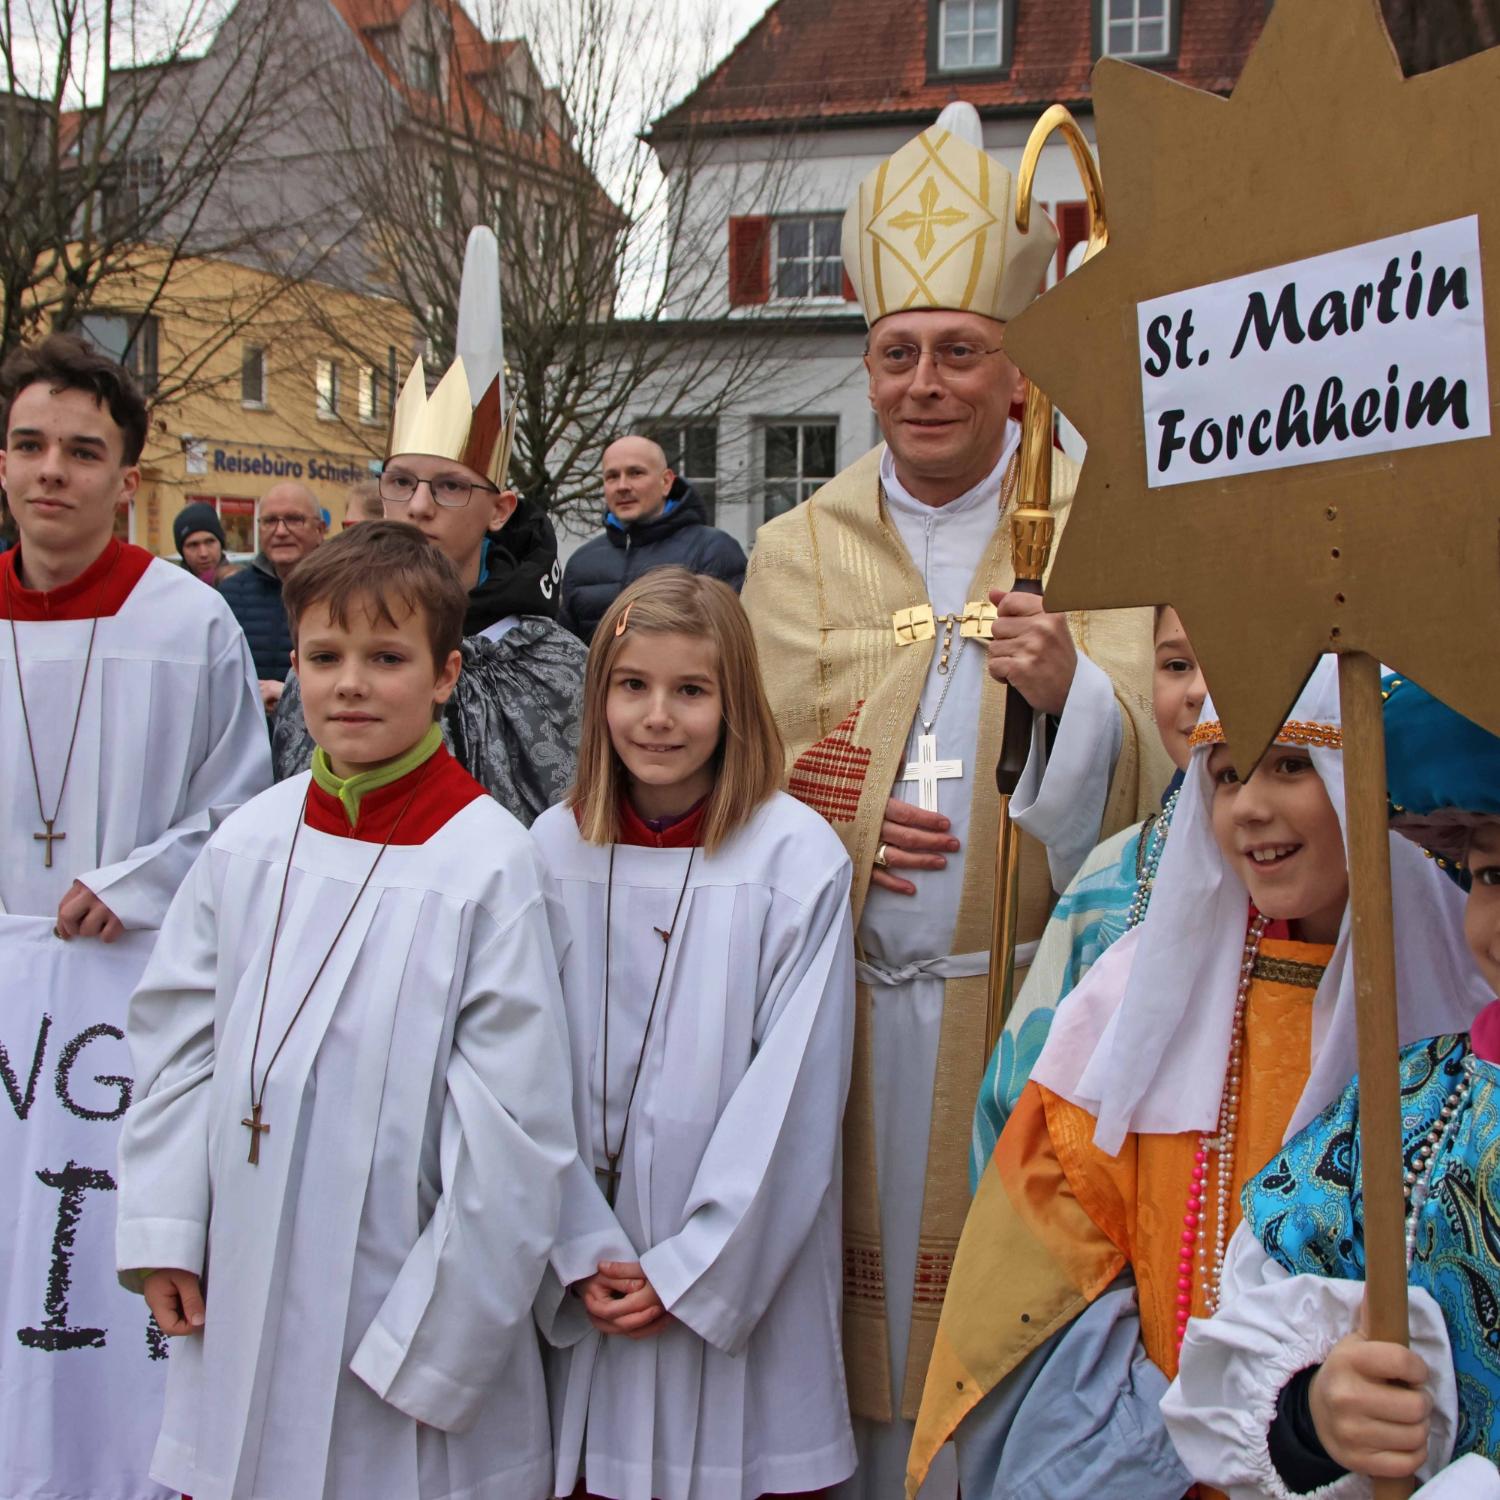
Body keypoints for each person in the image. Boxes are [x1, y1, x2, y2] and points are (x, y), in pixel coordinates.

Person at [738, 101, 1169, 1495]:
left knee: (996, 1351)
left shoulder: (1092, 527)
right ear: (867, 371)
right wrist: (842, 827)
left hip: (1023, 1000)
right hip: (836, 1013)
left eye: (960, 352)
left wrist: (1067, 698)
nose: (927, 380)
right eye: (899, 353)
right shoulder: (796, 551)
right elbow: (734, 766)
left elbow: (1161, 789)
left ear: (1015, 368)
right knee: (832, 1353)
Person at [906, 659, 1488, 1500]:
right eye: (1223, 774)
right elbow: (1044, 1274)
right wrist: (1191, 1437)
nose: (1248, 806)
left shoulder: (1462, 1010)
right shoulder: (1133, 1007)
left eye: (1291, 763)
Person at [115, 520, 578, 1500]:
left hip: (397, 1301)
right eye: (324, 657)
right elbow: (174, 1046)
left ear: (446, 675)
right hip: (239, 1269)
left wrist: (441, 1344)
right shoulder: (249, 839)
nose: (351, 684)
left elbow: (514, 1138)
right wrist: (163, 1224)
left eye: (387, 657)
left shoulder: (491, 863)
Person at [0, 333, 270, 1500]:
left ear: (128, 478)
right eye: (28, 444)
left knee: (85, 1270)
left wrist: (135, 882)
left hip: (119, 1021)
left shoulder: (187, 621)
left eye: (82, 451)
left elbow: (239, 809)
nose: (51, 471)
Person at [532, 566, 858, 1500]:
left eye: (691, 690)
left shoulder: (792, 858)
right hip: (587, 1260)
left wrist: (688, 1268)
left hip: (738, 1271)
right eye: (632, 686)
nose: (657, 717)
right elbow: (517, 1072)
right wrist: (576, 1244)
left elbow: (793, 1095)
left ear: (737, 703)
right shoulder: (551, 851)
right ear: (598, 699)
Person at [1164, 677, 1500, 1498]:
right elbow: (1249, 1345)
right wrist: (1316, 1416)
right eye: (1494, 877)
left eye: (1288, 766)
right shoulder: (1407, 1116)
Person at [273, 226, 585, 826]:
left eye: (448, 487)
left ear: (500, 509)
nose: (417, 507)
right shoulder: (330, 641)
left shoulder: (556, 664)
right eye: (401, 482)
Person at [969, 605, 1203, 1183]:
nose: (1198, 692)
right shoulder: (1111, 882)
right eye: (1175, 664)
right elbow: (1018, 1113)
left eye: (1229, 664)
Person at [558, 435, 748, 644]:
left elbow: (734, 648)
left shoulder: (713, 550)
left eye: (635, 473)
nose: (622, 486)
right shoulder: (581, 563)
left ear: (666, 482)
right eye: (612, 476)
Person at [219, 479, 325, 714]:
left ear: (320, 530)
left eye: (294, 519)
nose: (280, 531)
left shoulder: (342, 592)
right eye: (269, 521)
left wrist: (290, 693)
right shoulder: (228, 596)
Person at [172, 500, 241, 584]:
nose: (203, 553)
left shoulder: (245, 585)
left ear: (221, 544)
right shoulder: (171, 590)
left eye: (209, 542)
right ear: (182, 551)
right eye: (193, 545)